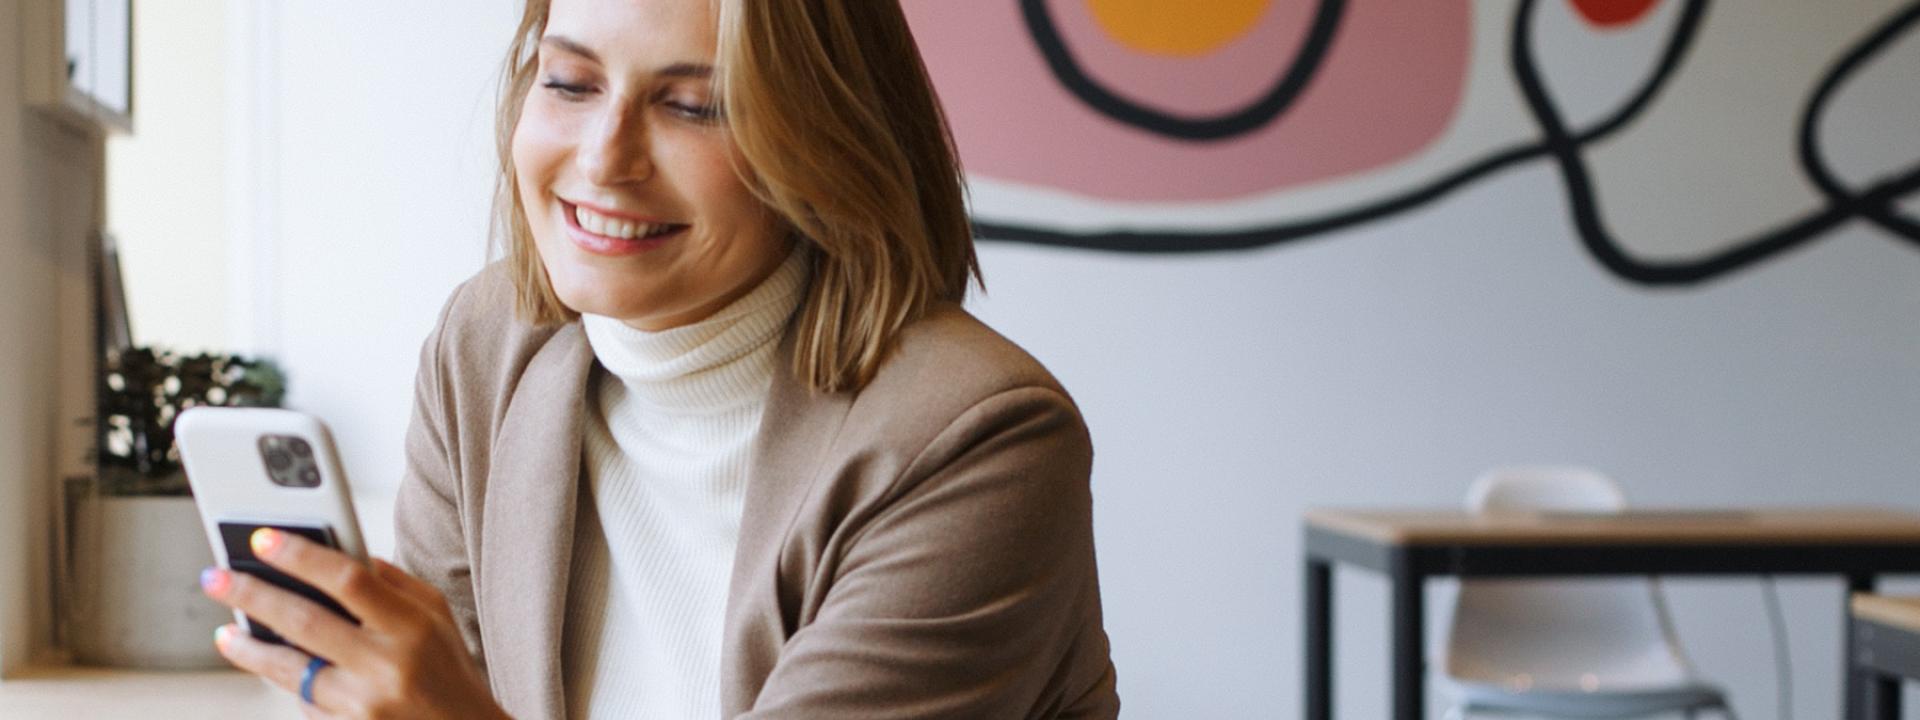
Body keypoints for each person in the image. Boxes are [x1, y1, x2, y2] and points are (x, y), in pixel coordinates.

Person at [197, 0, 1119, 717]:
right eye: (568, 83)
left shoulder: (979, 438)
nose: (605, 159)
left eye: (692, 106)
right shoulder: (487, 350)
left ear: (820, 141)